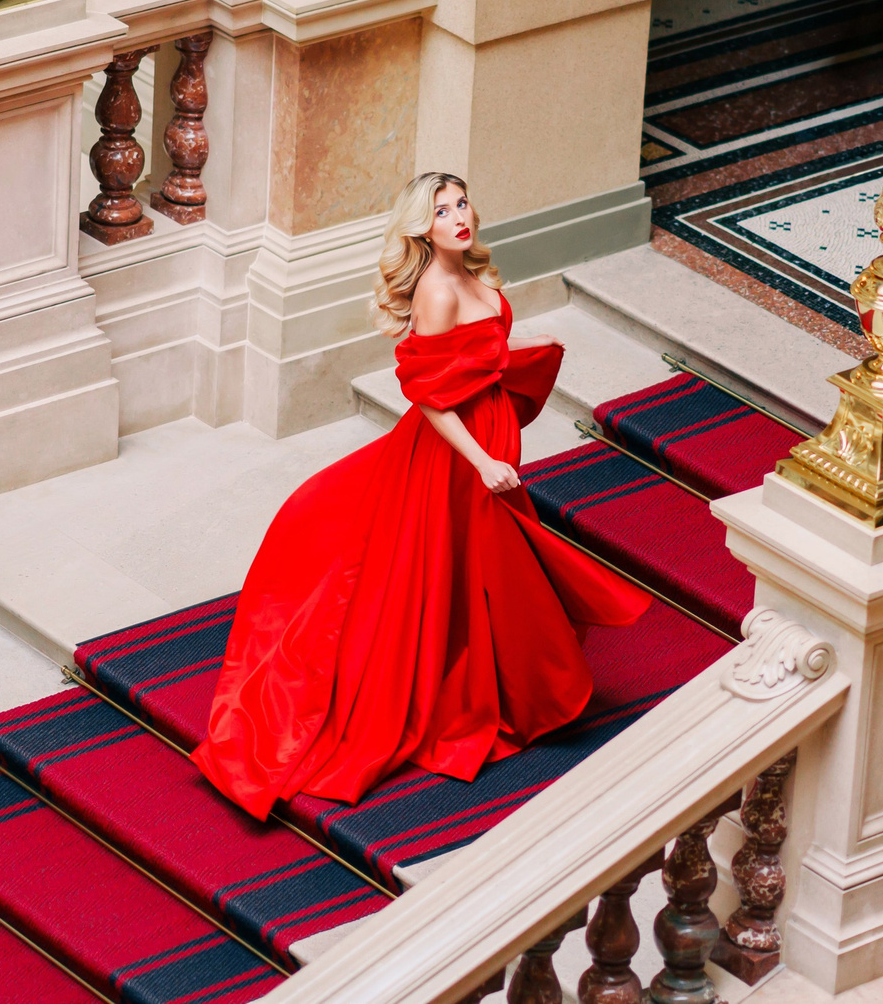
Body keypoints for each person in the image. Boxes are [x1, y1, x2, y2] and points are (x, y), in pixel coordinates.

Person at [191, 172, 652, 819]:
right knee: (465, 565)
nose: (459, 216)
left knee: (476, 568)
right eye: (441, 210)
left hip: (487, 435)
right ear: (422, 227)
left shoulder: (476, 274)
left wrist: (517, 359)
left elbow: (472, 355)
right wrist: (483, 461)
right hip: (457, 453)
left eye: (462, 201)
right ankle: (502, 692)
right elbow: (429, 395)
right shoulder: (437, 290)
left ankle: (498, 682)